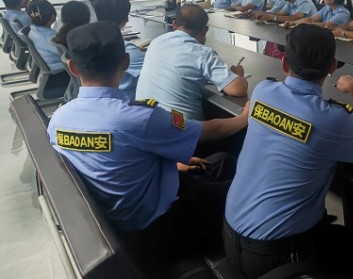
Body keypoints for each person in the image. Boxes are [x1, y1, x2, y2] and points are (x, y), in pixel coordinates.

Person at [47, 22, 248, 264]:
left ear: (72, 67)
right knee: (246, 191)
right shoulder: (140, 117)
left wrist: (172, 166)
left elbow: (104, 163)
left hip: (117, 219)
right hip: (159, 228)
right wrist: (244, 117)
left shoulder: (58, 119)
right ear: (125, 62)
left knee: (221, 161)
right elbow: (210, 131)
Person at [223, 25, 353, 278]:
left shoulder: (262, 91)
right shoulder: (332, 119)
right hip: (278, 257)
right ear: (333, 66)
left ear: (284, 62)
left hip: (229, 236)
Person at [136, 4, 247, 121]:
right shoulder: (203, 54)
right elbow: (237, 89)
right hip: (181, 130)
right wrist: (238, 74)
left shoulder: (156, 42)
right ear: (205, 30)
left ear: (174, 24)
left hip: (143, 122)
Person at [94, 0, 144, 100]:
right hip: (128, 102)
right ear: (125, 18)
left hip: (103, 100)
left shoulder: (90, 43)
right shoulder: (127, 50)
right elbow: (155, 73)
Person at [26, 0, 64, 72]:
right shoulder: (50, 38)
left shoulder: (33, 29)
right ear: (52, 17)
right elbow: (68, 55)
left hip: (48, 64)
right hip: (59, 70)